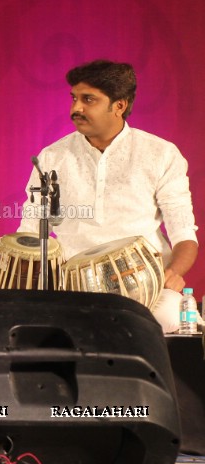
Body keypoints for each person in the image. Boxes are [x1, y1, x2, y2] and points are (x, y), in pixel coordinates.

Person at [18, 60, 197, 291]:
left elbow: (183, 232)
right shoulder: (52, 157)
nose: (76, 109)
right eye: (74, 98)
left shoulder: (160, 154)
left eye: (88, 99)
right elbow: (31, 228)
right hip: (72, 284)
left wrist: (171, 274)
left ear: (119, 106)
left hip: (143, 283)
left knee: (169, 318)